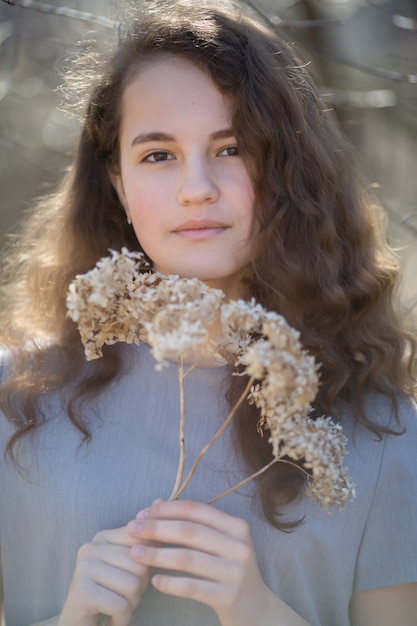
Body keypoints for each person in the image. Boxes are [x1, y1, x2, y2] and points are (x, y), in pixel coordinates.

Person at [0, 1, 416, 625]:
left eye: (232, 149)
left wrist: (261, 612)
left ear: (286, 168)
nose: (197, 188)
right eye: (158, 155)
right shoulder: (15, 401)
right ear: (118, 182)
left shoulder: (381, 427)